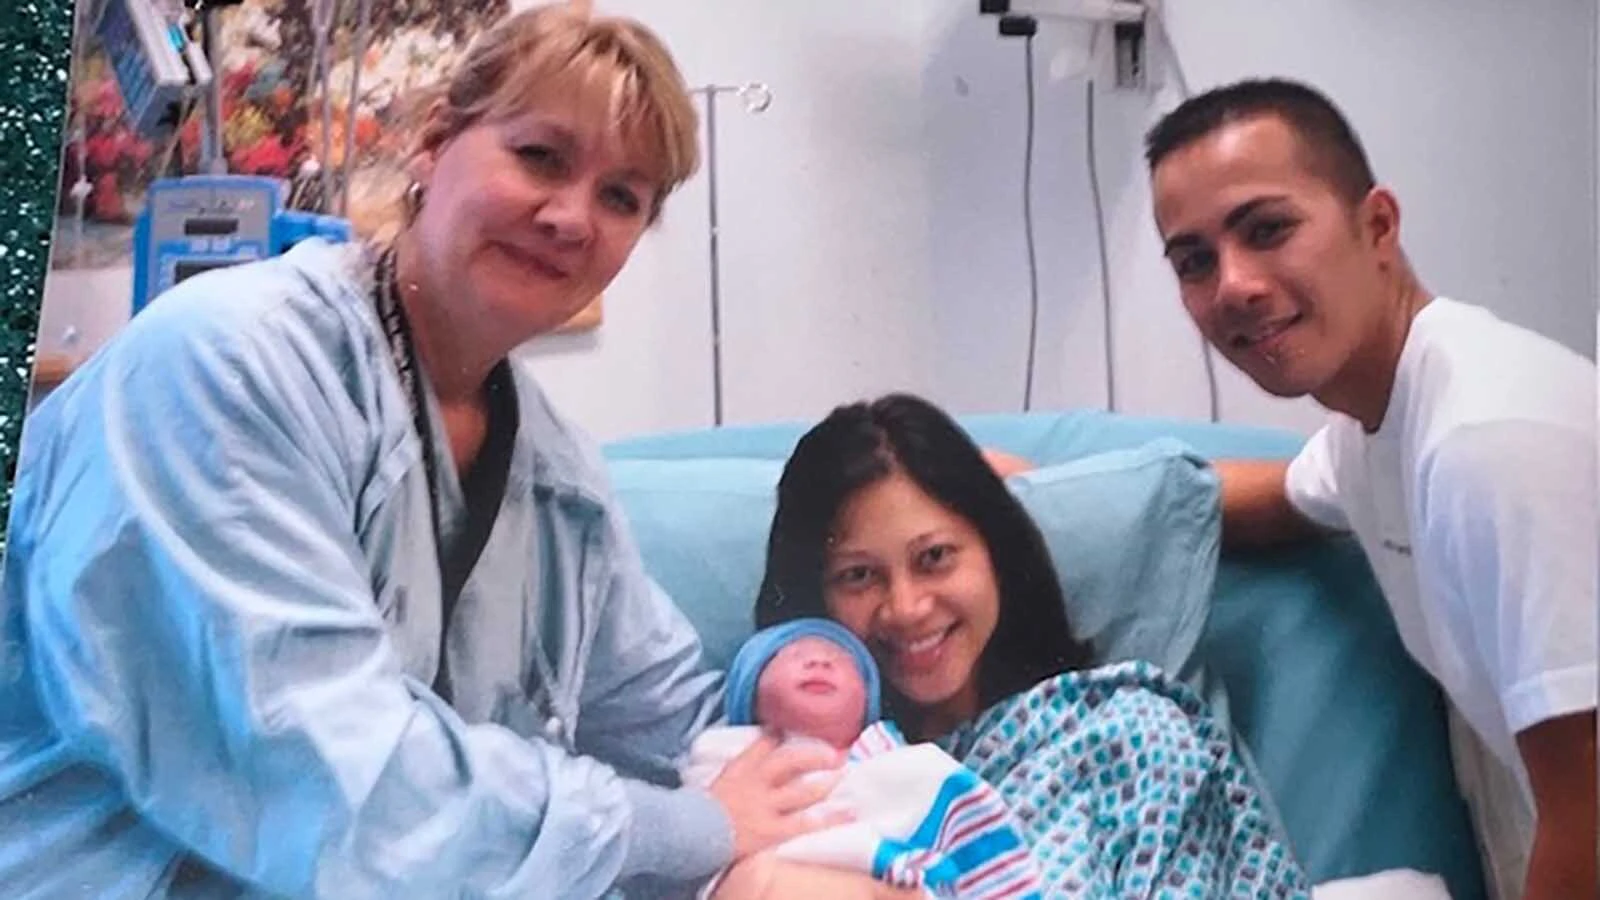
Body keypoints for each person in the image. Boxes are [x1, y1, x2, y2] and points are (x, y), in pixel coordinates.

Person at [0, 6, 850, 897]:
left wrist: (839, 726)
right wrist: (692, 827)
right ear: (435, 144)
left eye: (622, 197)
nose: (570, 217)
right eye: (541, 156)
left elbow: (670, 714)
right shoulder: (225, 366)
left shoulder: (555, 478)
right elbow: (321, 774)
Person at [1142, 77, 1598, 900]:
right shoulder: (1377, 427)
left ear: (1377, 225)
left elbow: (1592, 818)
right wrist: (1004, 497)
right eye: (1194, 261)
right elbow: (1266, 499)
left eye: (1268, 229)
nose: (1232, 284)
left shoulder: (1486, 440)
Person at [747, 392, 1315, 898]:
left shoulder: (1128, 739)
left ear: (995, 552)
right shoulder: (785, 780)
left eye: (935, 557)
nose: (906, 607)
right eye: (858, 576)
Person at [681, 618, 1045, 899]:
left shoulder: (910, 767)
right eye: (791, 656)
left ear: (866, 702)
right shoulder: (723, 754)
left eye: (839, 660)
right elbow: (685, 849)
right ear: (750, 694)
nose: (818, 661)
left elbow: (981, 839)